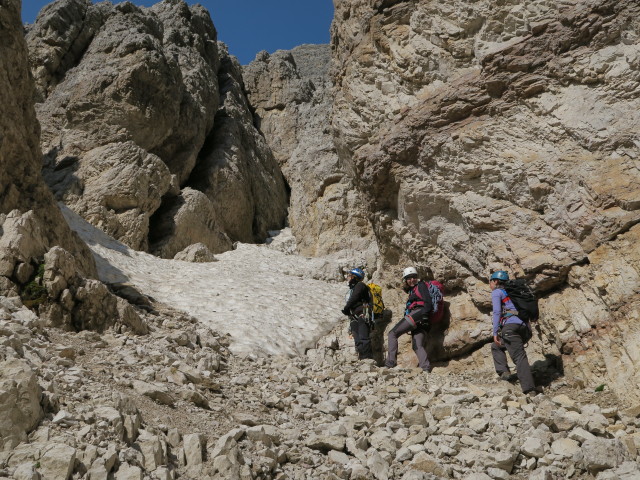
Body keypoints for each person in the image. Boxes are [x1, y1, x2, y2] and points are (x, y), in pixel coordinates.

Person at [489, 270, 538, 396]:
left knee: (519, 357)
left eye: (490, 281)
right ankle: (505, 373)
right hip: (525, 329)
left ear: (495, 281)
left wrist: (495, 332)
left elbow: (497, 312)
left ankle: (529, 389)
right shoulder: (515, 293)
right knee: (496, 346)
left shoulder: (497, 292)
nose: (490, 285)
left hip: (510, 328)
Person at [385, 267, 433, 372]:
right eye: (409, 278)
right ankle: (426, 368)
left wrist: (424, 315)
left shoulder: (420, 286)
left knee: (392, 334)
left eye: (414, 277)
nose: (412, 280)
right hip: (421, 318)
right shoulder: (412, 290)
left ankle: (390, 363)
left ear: (417, 278)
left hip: (418, 314)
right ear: (405, 280)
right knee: (417, 345)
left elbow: (428, 302)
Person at [342, 267, 373, 360]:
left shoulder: (360, 285)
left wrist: (347, 307)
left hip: (362, 314)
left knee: (363, 337)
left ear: (355, 277)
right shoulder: (354, 288)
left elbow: (354, 297)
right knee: (358, 339)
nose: (348, 277)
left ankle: (368, 359)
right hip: (355, 316)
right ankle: (362, 359)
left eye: (350, 276)